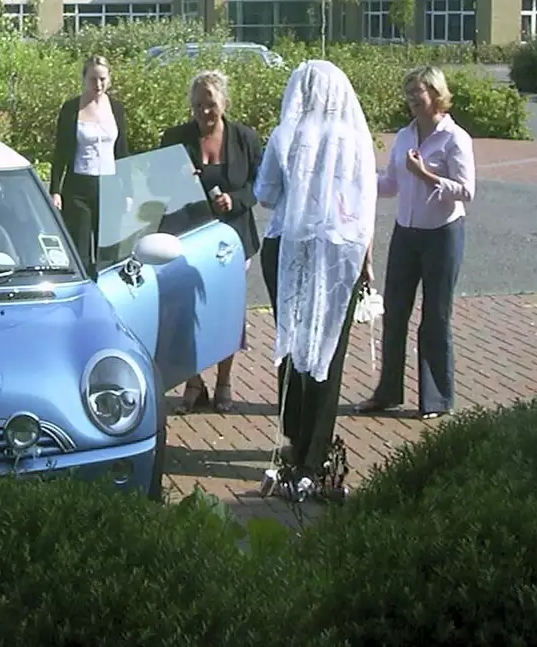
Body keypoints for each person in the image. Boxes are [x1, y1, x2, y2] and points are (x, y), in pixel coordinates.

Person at [253, 60, 378, 493]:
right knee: (328, 349)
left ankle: (293, 435)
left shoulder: (288, 133)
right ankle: (314, 454)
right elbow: (364, 203)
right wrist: (364, 256)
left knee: (292, 340)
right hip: (340, 251)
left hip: (289, 245)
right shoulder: (355, 138)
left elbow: (265, 194)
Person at [357, 65, 475, 421]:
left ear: (436, 95)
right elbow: (391, 183)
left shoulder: (455, 138)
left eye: (417, 92)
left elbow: (466, 191)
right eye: (408, 92)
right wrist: (358, 182)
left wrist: (426, 175)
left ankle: (437, 399)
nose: (411, 99)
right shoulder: (405, 136)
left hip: (442, 234)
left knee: (435, 317)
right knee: (394, 312)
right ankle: (388, 391)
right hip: (405, 234)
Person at [158, 69, 263, 415]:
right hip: (190, 239)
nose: (205, 112)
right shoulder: (175, 139)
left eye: (211, 104)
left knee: (227, 311)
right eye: (199, 105)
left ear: (225, 104)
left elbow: (259, 186)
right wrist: (176, 179)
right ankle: (193, 381)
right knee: (188, 312)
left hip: (232, 241)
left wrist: (235, 200)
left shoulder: (245, 138)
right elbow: (158, 187)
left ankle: (224, 382)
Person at [49, 55, 128, 275]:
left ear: (109, 79)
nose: (98, 85)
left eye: (102, 79)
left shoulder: (117, 109)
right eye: (93, 79)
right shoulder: (71, 109)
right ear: (84, 79)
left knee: (109, 251)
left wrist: (128, 190)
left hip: (110, 186)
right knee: (80, 250)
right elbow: (61, 151)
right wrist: (55, 190)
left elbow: (122, 151)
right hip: (79, 187)